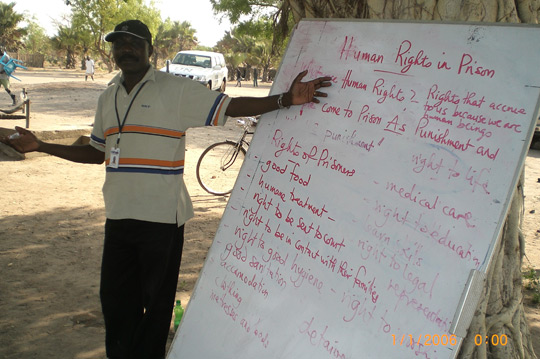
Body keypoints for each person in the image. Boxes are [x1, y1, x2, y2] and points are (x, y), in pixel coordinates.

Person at [0, 19, 331, 359]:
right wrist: (40, 146)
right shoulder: (107, 97)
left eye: (134, 42)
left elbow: (230, 106)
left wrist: (285, 100)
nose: (126, 48)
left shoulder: (175, 90)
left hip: (161, 219)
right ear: (112, 50)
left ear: (150, 50)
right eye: (119, 43)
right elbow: (96, 153)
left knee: (155, 308)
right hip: (119, 216)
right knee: (115, 302)